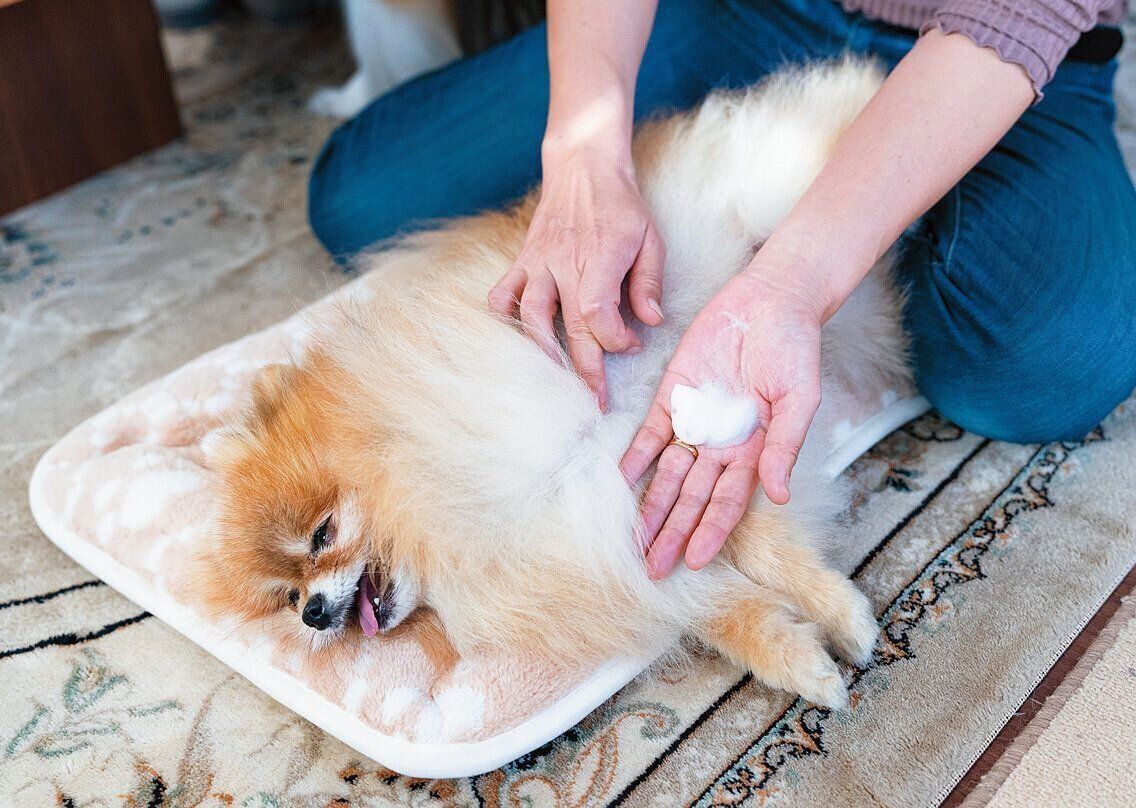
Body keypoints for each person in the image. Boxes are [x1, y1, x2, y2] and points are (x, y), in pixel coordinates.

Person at [307, 0, 1136, 579]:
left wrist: (792, 282)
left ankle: (889, 194)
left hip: (1008, 52)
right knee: (361, 199)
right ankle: (834, 182)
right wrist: (585, 156)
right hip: (757, 11)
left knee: (1051, 366)